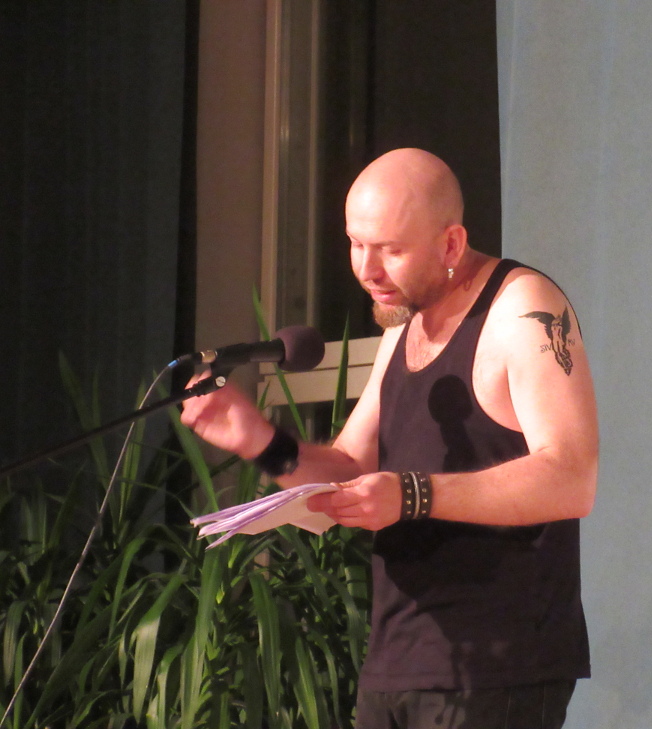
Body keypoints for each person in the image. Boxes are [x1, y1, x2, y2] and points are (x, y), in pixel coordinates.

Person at [181, 148, 598, 728]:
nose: (367, 270)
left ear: (451, 244)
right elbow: (350, 466)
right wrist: (260, 442)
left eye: (391, 250)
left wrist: (412, 495)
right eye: (356, 244)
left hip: (496, 666)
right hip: (396, 664)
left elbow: (571, 477)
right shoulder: (406, 325)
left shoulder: (521, 306)